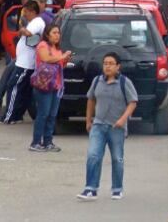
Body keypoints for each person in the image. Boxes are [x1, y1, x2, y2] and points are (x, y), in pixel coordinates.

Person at [78, 52, 138, 201]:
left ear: (118, 66)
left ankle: (117, 189)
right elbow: (91, 100)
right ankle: (90, 188)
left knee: (117, 158)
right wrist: (88, 120)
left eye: (111, 63)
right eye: (105, 63)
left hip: (116, 127)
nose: (107, 66)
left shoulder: (125, 82)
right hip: (98, 125)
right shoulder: (97, 81)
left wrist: (123, 120)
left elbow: (133, 102)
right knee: (93, 156)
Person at [0, 0, 44, 124]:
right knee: (22, 90)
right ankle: (17, 115)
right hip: (23, 62)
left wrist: (22, 29)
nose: (24, 14)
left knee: (13, 87)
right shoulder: (33, 22)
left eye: (26, 12)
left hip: (26, 64)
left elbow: (30, 33)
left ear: (33, 11)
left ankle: (9, 116)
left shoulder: (36, 22)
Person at [30, 22, 72, 152]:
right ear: (47, 35)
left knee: (52, 115)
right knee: (43, 114)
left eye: (58, 33)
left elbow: (59, 65)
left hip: (56, 85)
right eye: (54, 32)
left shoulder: (57, 48)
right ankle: (36, 142)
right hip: (44, 85)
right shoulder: (43, 45)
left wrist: (64, 61)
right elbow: (46, 59)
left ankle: (48, 141)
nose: (57, 35)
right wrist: (62, 56)